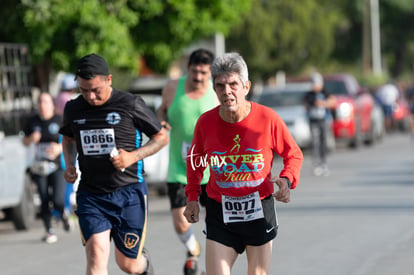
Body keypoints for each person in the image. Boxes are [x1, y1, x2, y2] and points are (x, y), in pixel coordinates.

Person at [183, 52, 304, 275]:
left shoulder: (267, 119)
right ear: (214, 89)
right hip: (220, 211)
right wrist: (191, 198)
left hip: (258, 210)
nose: (227, 91)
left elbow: (293, 154)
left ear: (246, 87)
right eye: (220, 86)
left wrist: (286, 180)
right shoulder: (206, 123)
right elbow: (195, 162)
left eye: (233, 84)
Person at [59, 53, 169, 275]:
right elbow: (69, 139)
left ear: (109, 79)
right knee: (96, 254)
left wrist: (132, 157)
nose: (90, 96)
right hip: (92, 194)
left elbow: (161, 137)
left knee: (128, 264)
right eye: (83, 90)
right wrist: (70, 164)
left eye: (95, 89)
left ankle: (144, 264)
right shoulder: (73, 108)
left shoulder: (130, 104)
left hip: (128, 192)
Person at [157, 48, 217, 275]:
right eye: (195, 71)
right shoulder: (172, 88)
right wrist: (161, 123)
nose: (199, 77)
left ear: (210, 72)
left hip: (212, 171)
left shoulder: (216, 91)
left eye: (204, 72)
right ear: (187, 68)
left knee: (215, 222)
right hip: (180, 169)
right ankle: (193, 249)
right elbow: (161, 111)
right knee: (181, 222)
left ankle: (213, 265)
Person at [23, 92, 70, 243]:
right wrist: (31, 139)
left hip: (57, 165)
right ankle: (49, 230)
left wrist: (59, 148)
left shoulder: (60, 120)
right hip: (39, 166)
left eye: (46, 102)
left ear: (52, 104)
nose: (43, 105)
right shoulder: (32, 121)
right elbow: (24, 141)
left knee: (57, 199)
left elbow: (71, 141)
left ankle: (62, 213)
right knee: (43, 198)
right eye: (40, 102)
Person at [304, 72, 336, 176]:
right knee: (315, 142)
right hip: (313, 121)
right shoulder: (309, 94)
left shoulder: (324, 92)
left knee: (323, 142)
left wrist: (324, 103)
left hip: (323, 120)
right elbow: (308, 104)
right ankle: (316, 164)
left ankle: (323, 163)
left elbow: (333, 102)